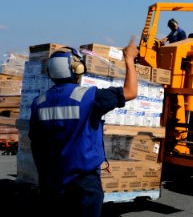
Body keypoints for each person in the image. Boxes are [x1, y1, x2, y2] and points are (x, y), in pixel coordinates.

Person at [28, 36, 139, 217]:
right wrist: (129, 59)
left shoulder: (39, 103)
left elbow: (36, 145)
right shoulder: (89, 97)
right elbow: (131, 91)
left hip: (52, 183)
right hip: (83, 185)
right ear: (77, 68)